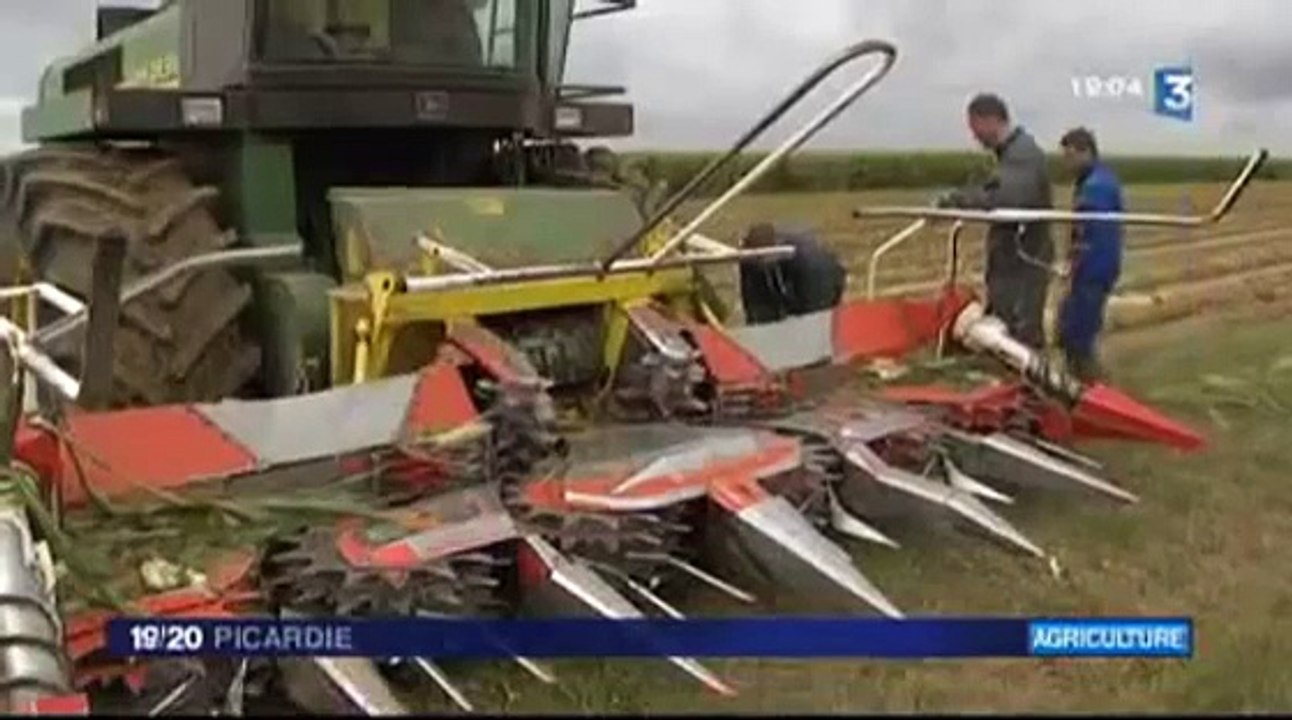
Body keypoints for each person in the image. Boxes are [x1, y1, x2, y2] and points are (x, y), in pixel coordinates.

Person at [937, 93, 1055, 350]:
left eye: (974, 128)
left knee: (1019, 336)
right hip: (1012, 261)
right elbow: (992, 190)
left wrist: (958, 202)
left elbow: (1007, 199)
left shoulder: (1022, 155)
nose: (975, 136)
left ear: (990, 121)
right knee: (1008, 330)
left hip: (1023, 262)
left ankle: (1033, 386)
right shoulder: (1011, 156)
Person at [1057, 127, 1123, 381]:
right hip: (1094, 268)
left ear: (1087, 152)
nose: (1067, 162)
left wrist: (1072, 264)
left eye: (1070, 156)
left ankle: (1093, 389)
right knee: (1070, 330)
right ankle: (1080, 382)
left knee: (1077, 336)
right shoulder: (1096, 180)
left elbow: (1086, 232)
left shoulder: (1096, 187)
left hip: (1094, 270)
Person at [738, 223, 847, 325]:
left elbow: (815, 316)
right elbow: (755, 313)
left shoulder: (811, 265)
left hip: (814, 284)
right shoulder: (753, 261)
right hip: (791, 274)